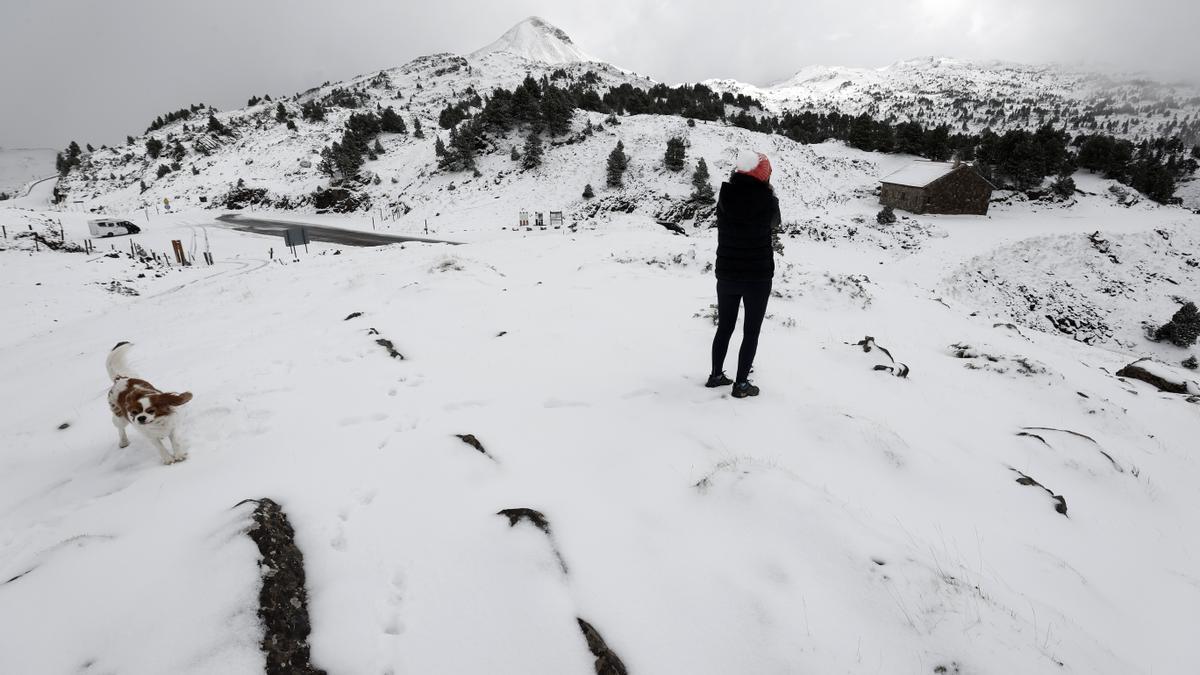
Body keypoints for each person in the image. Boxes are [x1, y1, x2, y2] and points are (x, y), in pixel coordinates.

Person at [706, 150, 779, 398]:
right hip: (757, 277)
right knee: (751, 331)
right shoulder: (769, 202)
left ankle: (716, 375)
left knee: (724, 327)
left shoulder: (725, 197)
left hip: (727, 273)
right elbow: (774, 223)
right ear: (763, 176)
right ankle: (741, 385)